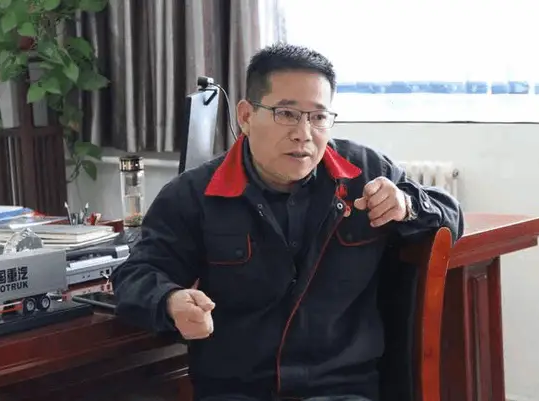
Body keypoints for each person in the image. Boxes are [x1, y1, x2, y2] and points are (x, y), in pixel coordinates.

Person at [111, 43, 464, 401]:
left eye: (318, 117)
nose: (304, 133)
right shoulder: (194, 194)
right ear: (246, 116)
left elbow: (450, 215)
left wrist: (407, 204)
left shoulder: (365, 172)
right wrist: (170, 301)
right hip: (239, 392)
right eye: (286, 114)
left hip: (340, 390)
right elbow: (135, 274)